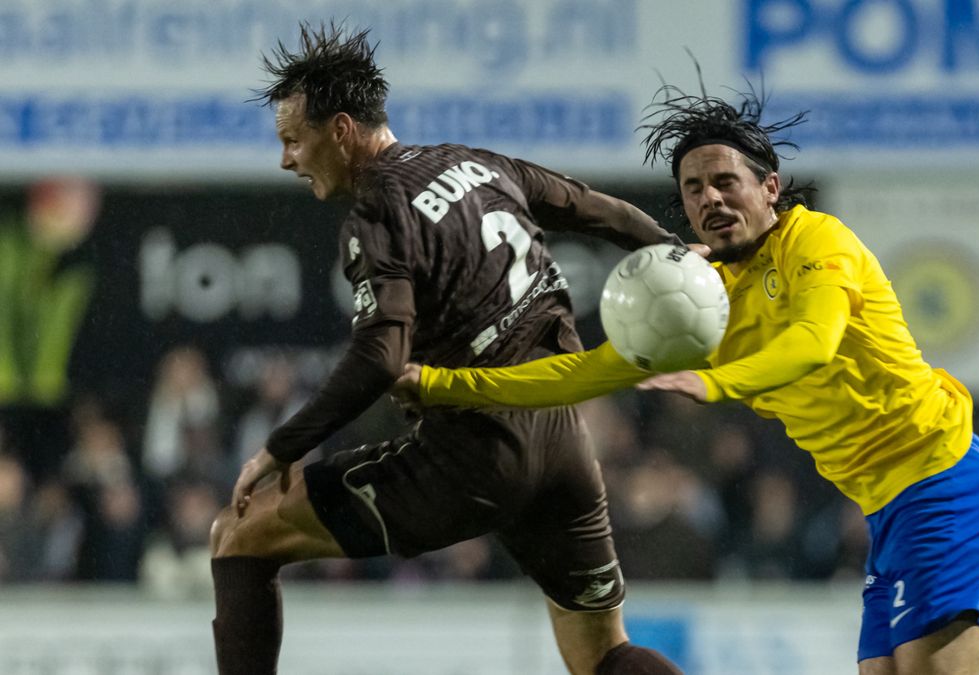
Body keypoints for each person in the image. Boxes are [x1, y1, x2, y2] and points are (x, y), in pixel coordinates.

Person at [396, 80, 979, 675]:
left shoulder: (815, 239)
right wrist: (439, 384)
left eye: (726, 181)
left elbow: (813, 341)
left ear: (770, 186)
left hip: (948, 486)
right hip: (890, 512)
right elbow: (580, 373)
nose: (710, 198)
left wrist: (718, 383)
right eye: (693, 188)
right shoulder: (702, 299)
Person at [209, 23, 685, 675]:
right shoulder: (479, 164)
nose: (287, 159)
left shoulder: (379, 212)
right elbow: (596, 209)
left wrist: (280, 445)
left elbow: (381, 351)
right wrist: (680, 257)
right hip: (566, 445)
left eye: (294, 139)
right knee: (605, 653)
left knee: (239, 534)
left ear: (341, 130)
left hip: (475, 457)